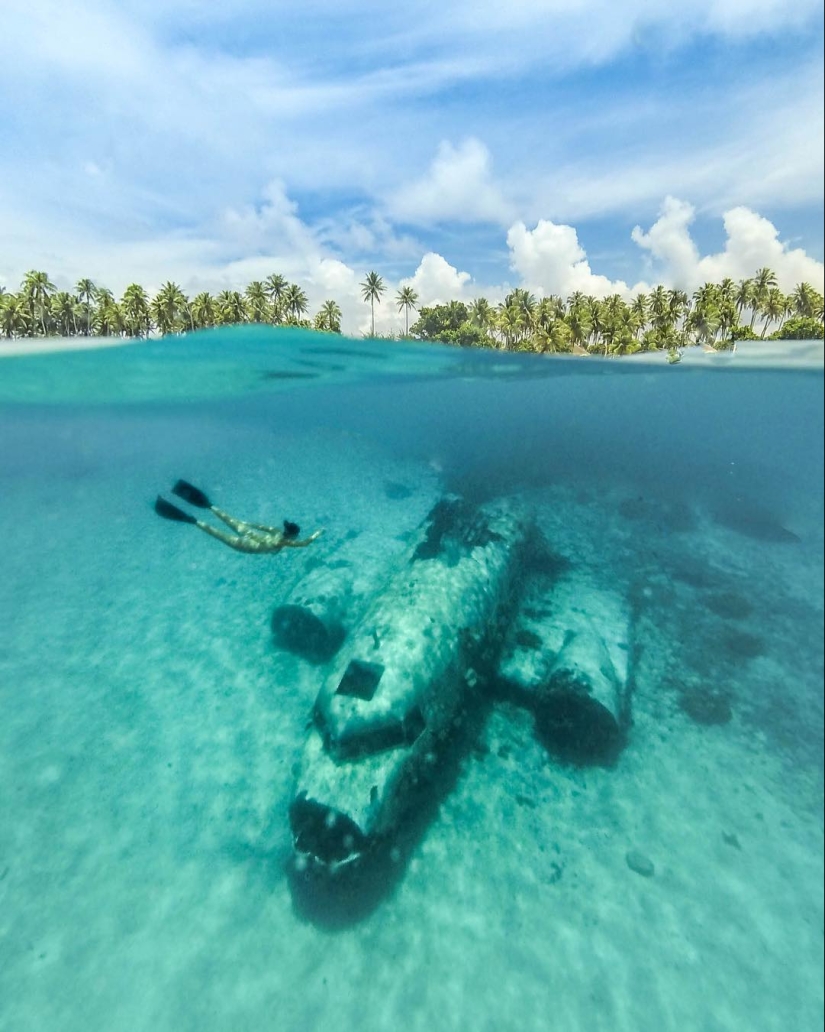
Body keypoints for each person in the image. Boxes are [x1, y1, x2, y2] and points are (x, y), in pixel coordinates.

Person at [154, 480, 323, 555]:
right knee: (216, 533)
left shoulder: (278, 532)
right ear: (292, 535)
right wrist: (318, 533)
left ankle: (209, 506)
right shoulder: (283, 541)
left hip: (250, 536)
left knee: (226, 519)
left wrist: (244, 523)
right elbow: (305, 543)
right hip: (245, 546)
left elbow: (262, 528)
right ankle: (193, 520)